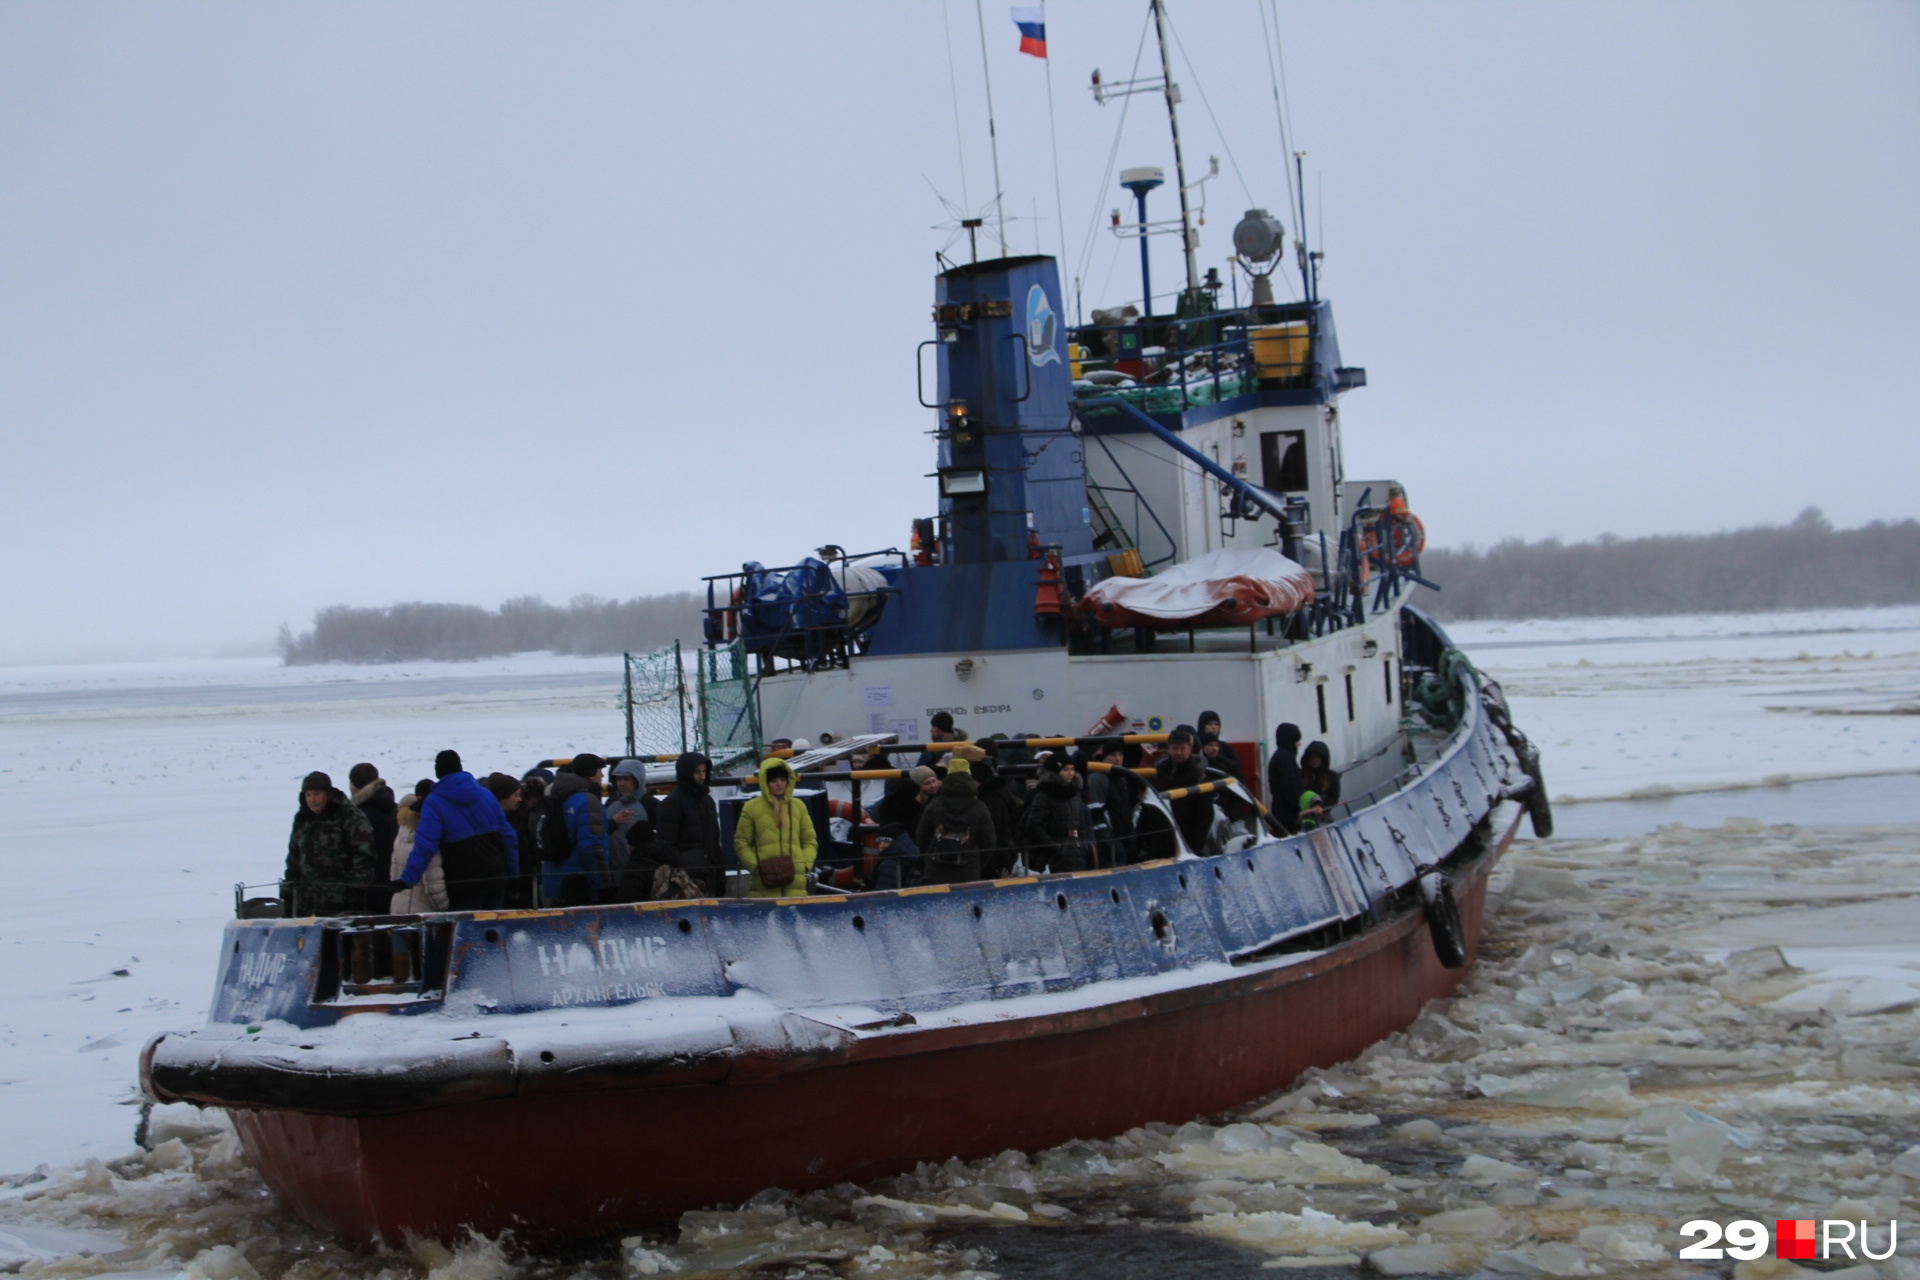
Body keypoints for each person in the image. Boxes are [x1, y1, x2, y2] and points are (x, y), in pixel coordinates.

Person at [396, 750, 518, 912]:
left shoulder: (434, 802)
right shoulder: (486, 795)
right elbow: (509, 837)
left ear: (438, 771)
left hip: (463, 884)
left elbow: (425, 846)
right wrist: (513, 874)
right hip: (496, 877)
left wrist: (406, 880)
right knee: (494, 931)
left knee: (466, 934)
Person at [285, 771, 378, 917]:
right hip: (306, 906)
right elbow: (293, 859)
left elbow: (364, 857)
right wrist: (288, 894)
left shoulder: (349, 816)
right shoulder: (303, 819)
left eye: (316, 794)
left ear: (328, 794)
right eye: (308, 795)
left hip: (340, 906)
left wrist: (355, 891)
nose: (312, 799)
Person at [734, 758, 817, 897]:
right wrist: (756, 868)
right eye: (774, 781)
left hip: (795, 885)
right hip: (763, 885)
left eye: (782, 779)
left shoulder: (798, 806)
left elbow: (810, 840)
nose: (779, 784)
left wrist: (803, 865)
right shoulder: (751, 808)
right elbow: (741, 843)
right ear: (766, 783)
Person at [642, 752, 721, 897]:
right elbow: (666, 846)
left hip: (710, 875)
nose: (702, 777)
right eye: (697, 772)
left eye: (704, 772)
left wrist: (719, 873)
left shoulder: (707, 801)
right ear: (686, 772)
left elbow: (714, 840)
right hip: (684, 880)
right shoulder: (672, 802)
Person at [542, 754, 611, 906]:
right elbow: (592, 846)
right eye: (600, 770)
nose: (602, 775)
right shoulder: (588, 800)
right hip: (580, 884)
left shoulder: (558, 793)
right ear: (591, 772)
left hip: (554, 877)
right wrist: (603, 884)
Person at [916, 753, 995, 884]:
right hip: (968, 871)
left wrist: (930, 856)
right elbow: (989, 843)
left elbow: (921, 837)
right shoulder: (979, 807)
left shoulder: (935, 804)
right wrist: (976, 863)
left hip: (936, 870)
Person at [1022, 752, 1091, 872]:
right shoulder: (1044, 795)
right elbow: (1033, 825)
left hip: (1077, 852)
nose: (1071, 773)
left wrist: (1083, 844)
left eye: (1072, 769)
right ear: (1055, 772)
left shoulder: (1075, 794)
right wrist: (1054, 846)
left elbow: (1082, 824)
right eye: (1066, 769)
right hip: (1054, 857)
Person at [1154, 728, 1215, 855]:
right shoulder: (1160, 771)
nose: (1179, 752)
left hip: (1189, 840)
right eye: (1175, 748)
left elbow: (1206, 813)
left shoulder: (1199, 776)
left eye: (1183, 749)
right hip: (1162, 839)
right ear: (1169, 749)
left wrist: (1196, 844)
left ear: (1190, 749)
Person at [388, 780, 446, 913]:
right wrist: (443, 906)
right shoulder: (428, 834)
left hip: (398, 905)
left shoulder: (401, 832)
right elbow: (433, 879)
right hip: (421, 909)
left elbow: (394, 872)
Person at [347, 763, 399, 901]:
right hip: (395, 883)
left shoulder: (358, 815)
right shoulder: (395, 809)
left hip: (369, 888)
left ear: (354, 786)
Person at [605, 759, 657, 884]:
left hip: (641, 875)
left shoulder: (651, 805)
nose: (621, 783)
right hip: (612, 871)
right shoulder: (610, 803)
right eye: (618, 779)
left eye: (626, 779)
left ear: (637, 780)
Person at [876, 765, 941, 831]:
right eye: (927, 783)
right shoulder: (908, 809)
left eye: (934, 781)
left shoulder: (940, 799)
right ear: (916, 786)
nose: (933, 786)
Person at [1267, 723, 1305, 835]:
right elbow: (1289, 787)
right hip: (1287, 815)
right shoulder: (1285, 759)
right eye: (1296, 740)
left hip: (1280, 811)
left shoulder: (1280, 756)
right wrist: (1299, 806)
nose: (1299, 744)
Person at [1300, 741, 1342, 810]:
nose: (1314, 760)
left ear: (1323, 759)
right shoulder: (1301, 775)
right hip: (1305, 814)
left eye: (1318, 757)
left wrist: (1320, 807)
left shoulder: (1331, 776)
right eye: (1312, 757)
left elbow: (1333, 799)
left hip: (1323, 814)